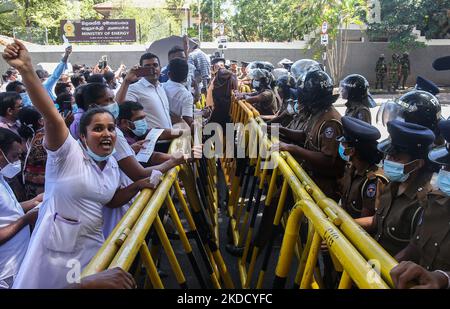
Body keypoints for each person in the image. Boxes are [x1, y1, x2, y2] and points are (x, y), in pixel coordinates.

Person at [3, 39, 159, 288]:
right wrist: (27, 70)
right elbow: (52, 118)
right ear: (83, 137)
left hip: (92, 255)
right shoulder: (68, 157)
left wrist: (139, 185)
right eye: (98, 129)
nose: (107, 134)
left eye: (110, 128)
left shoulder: (110, 167)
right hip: (52, 261)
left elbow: (110, 198)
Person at [356, 120, 435, 256]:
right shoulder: (392, 185)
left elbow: (414, 250)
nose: (388, 161)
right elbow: (378, 220)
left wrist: (381, 271)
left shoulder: (424, 202)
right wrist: (342, 224)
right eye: (388, 156)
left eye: (396, 158)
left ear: (417, 164)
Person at [273, 69, 344, 202]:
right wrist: (281, 130)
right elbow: (305, 136)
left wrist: (293, 149)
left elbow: (328, 159)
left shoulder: (330, 122)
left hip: (321, 185)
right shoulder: (318, 112)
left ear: (312, 96)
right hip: (308, 175)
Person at [394, 119, 450, 272]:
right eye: (446, 165)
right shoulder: (435, 204)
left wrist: (443, 279)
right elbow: (414, 248)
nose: (444, 171)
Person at [0, 128, 42, 289]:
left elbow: (8, 211)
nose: (18, 161)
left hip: (16, 264)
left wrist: (35, 201)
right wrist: (26, 220)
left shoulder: (2, 177)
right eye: (14, 157)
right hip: (6, 271)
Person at [337, 116, 387, 218]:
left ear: (351, 151)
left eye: (343, 144)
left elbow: (366, 220)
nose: (341, 146)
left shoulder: (372, 181)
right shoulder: (352, 169)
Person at [116, 53, 173, 130]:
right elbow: (119, 107)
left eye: (155, 65)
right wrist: (126, 81)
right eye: (147, 67)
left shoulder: (161, 87)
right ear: (141, 69)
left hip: (170, 139)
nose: (152, 69)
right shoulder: (134, 89)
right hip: (152, 140)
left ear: (160, 68)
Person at [17, 106, 46, 200]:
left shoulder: (22, 139)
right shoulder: (45, 140)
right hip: (44, 189)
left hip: (29, 188)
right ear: (40, 121)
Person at [163, 58, 194, 126]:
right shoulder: (187, 96)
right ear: (186, 78)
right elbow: (187, 120)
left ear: (168, 74)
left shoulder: (160, 87)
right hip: (177, 130)